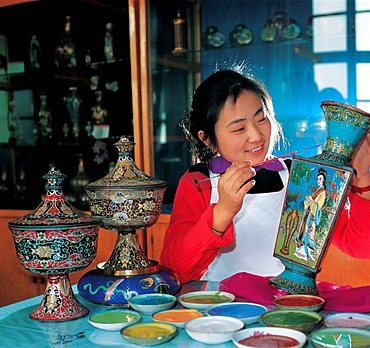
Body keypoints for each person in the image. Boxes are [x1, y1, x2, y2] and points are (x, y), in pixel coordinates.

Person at [160, 67, 370, 284]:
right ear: (207, 139)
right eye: (239, 129)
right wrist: (222, 212)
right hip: (220, 308)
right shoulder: (199, 181)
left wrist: (362, 178)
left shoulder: (297, 176)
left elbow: (359, 247)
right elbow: (175, 270)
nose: (256, 135)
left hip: (285, 306)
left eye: (261, 119)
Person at [294, 168, 327, 262]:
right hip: (307, 213)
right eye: (317, 179)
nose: (318, 181)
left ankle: (306, 253)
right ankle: (300, 251)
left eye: (320, 179)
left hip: (312, 215)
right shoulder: (316, 191)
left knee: (308, 232)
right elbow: (308, 204)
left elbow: (318, 205)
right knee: (303, 230)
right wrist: (307, 200)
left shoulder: (322, 192)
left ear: (324, 180)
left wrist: (311, 201)